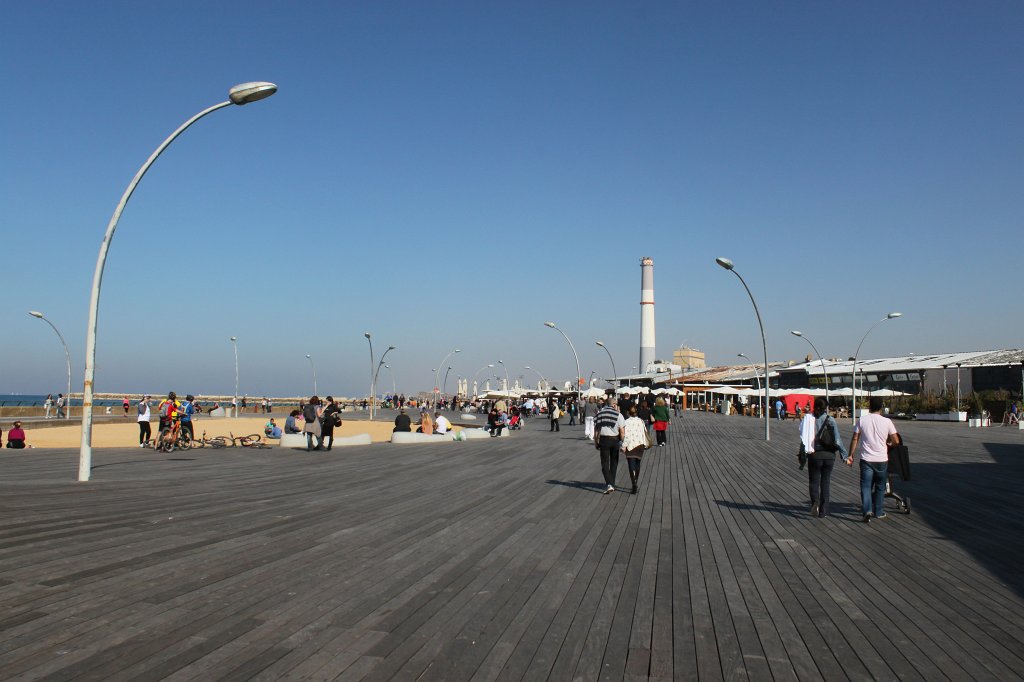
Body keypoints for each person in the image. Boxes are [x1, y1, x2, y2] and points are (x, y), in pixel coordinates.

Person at [847, 396, 899, 523]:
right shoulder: (887, 422)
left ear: (869, 406)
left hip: (867, 459)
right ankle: (879, 512)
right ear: (881, 407)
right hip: (882, 459)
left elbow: (855, 438)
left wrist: (851, 455)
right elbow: (896, 441)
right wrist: (889, 445)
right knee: (880, 486)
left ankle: (867, 510)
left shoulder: (862, 420)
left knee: (865, 486)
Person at [803, 397, 848, 518]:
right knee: (825, 482)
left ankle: (815, 502)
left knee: (814, 481)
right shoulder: (830, 419)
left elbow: (803, 438)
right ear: (825, 408)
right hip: (829, 456)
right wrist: (844, 455)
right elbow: (837, 439)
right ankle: (824, 511)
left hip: (814, 454)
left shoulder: (808, 419)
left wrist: (802, 454)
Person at [594, 400, 625, 494]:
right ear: (614, 405)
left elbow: (596, 429)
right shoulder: (618, 415)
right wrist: (622, 441)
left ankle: (609, 483)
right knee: (614, 462)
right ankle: (612, 483)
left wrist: (596, 441)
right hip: (615, 439)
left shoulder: (600, 414)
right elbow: (622, 431)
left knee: (604, 463)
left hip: (604, 440)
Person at [621, 406, 650, 495]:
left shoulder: (626, 422)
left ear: (628, 413)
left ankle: (634, 484)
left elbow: (627, 435)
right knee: (637, 464)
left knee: (631, 465)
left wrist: (624, 446)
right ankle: (636, 481)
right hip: (640, 444)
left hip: (630, 445)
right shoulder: (641, 421)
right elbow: (645, 431)